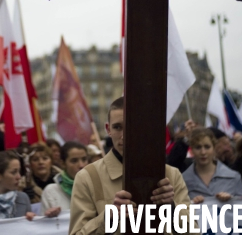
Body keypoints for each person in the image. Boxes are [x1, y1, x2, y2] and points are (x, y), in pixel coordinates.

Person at [69, 97, 192, 235]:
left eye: (133, 126)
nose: (124, 135)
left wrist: (171, 209)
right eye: (117, 127)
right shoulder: (88, 177)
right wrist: (108, 218)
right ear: (108, 129)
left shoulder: (171, 175)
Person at [182, 128, 242, 204]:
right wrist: (191, 204)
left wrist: (231, 201)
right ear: (192, 150)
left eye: (207, 147)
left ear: (214, 148)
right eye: (198, 147)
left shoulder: (233, 177)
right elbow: (178, 211)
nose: (203, 152)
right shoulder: (182, 180)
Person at [41, 141, 88, 216]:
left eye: (84, 159)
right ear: (63, 163)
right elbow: (43, 226)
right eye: (74, 161)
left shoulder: (98, 187)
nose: (81, 165)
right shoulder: (51, 191)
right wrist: (48, 218)